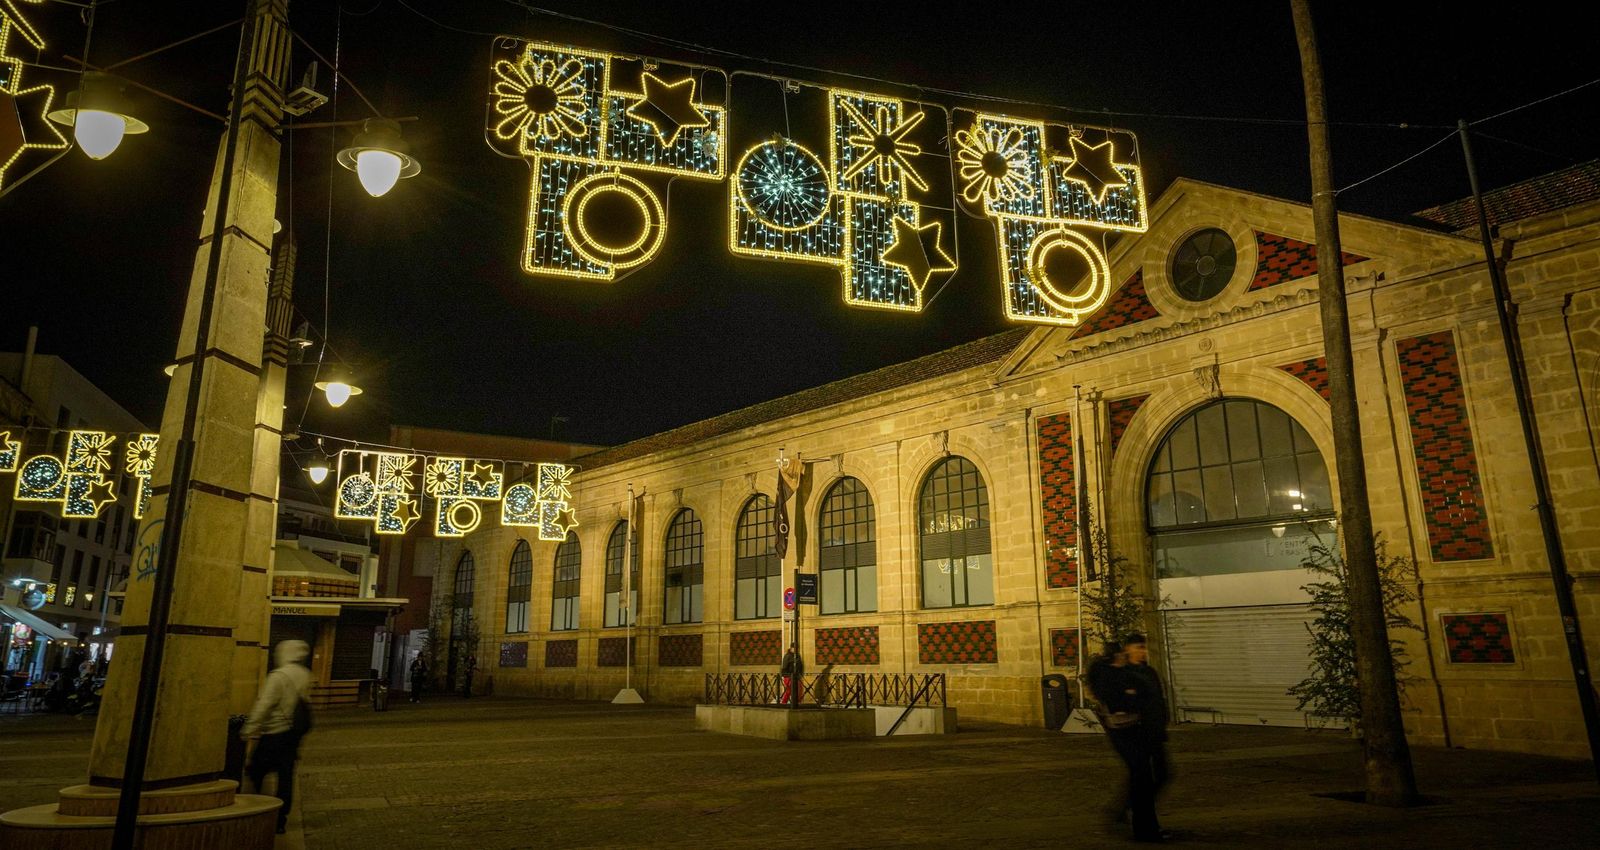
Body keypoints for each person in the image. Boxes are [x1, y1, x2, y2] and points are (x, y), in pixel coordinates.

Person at [242, 639, 312, 835]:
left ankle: (259, 808)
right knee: (285, 775)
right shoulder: (305, 674)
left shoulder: (278, 676)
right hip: (293, 734)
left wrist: (249, 728)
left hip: (274, 733)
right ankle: (280, 819)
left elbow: (265, 704)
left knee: (255, 771)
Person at [1107, 632, 1171, 843]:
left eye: (1143, 648)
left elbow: (1157, 698)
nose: (1142, 652)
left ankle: (1130, 807)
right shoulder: (1124, 674)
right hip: (1138, 733)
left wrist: (1163, 720)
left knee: (1162, 774)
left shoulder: (1149, 672)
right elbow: (1121, 701)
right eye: (1137, 647)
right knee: (1143, 780)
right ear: (1127, 649)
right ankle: (1146, 828)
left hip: (1155, 731)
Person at [779, 641, 802, 705]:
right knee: (788, 691)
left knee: (799, 690)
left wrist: (800, 674)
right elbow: (784, 667)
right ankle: (784, 703)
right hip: (788, 676)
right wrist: (786, 675)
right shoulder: (788, 656)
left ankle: (797, 703)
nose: (796, 649)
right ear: (791, 648)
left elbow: (801, 665)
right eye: (795, 648)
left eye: (797, 648)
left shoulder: (798, 656)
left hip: (796, 676)